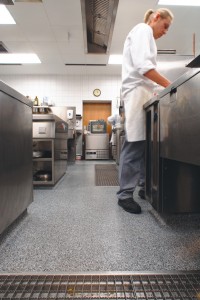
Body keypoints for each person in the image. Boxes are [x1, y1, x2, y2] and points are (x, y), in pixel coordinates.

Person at [117, 8, 174, 214]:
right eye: (165, 26)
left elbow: (147, 75)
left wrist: (159, 90)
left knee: (144, 146)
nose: (165, 31)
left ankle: (142, 186)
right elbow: (144, 68)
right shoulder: (143, 30)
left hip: (143, 94)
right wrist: (170, 86)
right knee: (134, 145)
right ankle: (124, 195)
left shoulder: (148, 37)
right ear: (156, 17)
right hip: (135, 94)